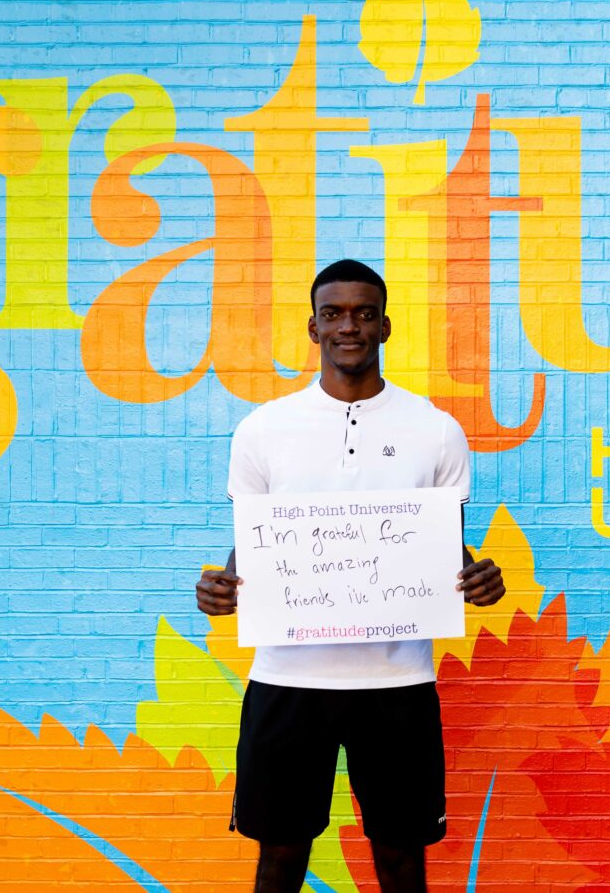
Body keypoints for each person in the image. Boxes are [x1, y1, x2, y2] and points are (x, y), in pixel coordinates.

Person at [196, 260, 506, 893]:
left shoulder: (435, 431)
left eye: (364, 314)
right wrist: (221, 588)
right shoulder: (263, 430)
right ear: (313, 328)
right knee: (280, 857)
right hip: (288, 680)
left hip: (397, 682)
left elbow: (440, 542)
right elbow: (254, 543)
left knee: (401, 859)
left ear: (385, 326)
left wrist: (477, 578)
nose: (349, 327)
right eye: (333, 314)